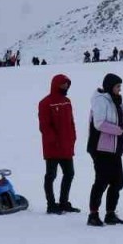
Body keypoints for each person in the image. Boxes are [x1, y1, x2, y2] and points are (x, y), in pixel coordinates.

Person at [87, 73, 123, 226]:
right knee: (101, 182)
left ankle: (110, 213)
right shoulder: (100, 100)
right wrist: (119, 130)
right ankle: (93, 214)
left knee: (117, 182)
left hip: (114, 148)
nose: (120, 89)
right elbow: (99, 124)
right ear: (110, 86)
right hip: (100, 148)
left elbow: (117, 123)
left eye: (120, 87)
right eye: (118, 86)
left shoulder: (116, 100)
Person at [39, 74, 79, 215]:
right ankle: (51, 204)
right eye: (63, 84)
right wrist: (53, 141)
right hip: (53, 147)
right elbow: (45, 126)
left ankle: (63, 202)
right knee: (51, 175)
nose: (66, 87)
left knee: (69, 173)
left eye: (67, 84)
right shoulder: (45, 103)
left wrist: (73, 137)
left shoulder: (67, 101)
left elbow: (71, 122)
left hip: (66, 145)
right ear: (56, 85)